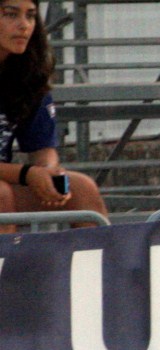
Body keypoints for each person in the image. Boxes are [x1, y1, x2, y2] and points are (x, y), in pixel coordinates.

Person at [0, 0, 109, 228]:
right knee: (1, 195)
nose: (24, 25)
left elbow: (43, 149)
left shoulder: (28, 73)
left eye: (30, 16)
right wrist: (27, 174)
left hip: (8, 180)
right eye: (11, 14)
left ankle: (103, 252)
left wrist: (48, 171)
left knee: (81, 189)